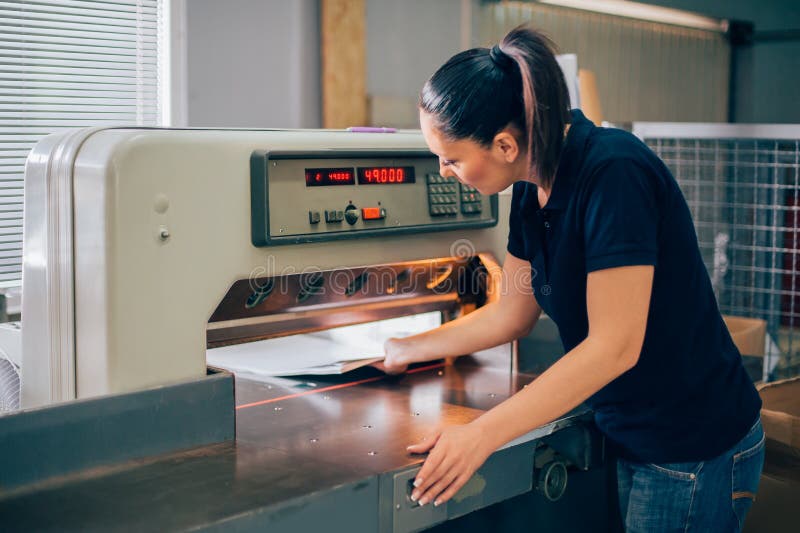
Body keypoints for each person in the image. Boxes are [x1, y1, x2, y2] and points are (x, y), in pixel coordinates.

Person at [377, 26, 765, 532]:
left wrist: (480, 435)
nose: (445, 172)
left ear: (505, 143)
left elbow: (614, 347)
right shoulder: (527, 188)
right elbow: (513, 313)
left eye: (451, 158)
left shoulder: (614, 173)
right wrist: (409, 346)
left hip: (691, 446)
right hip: (632, 431)